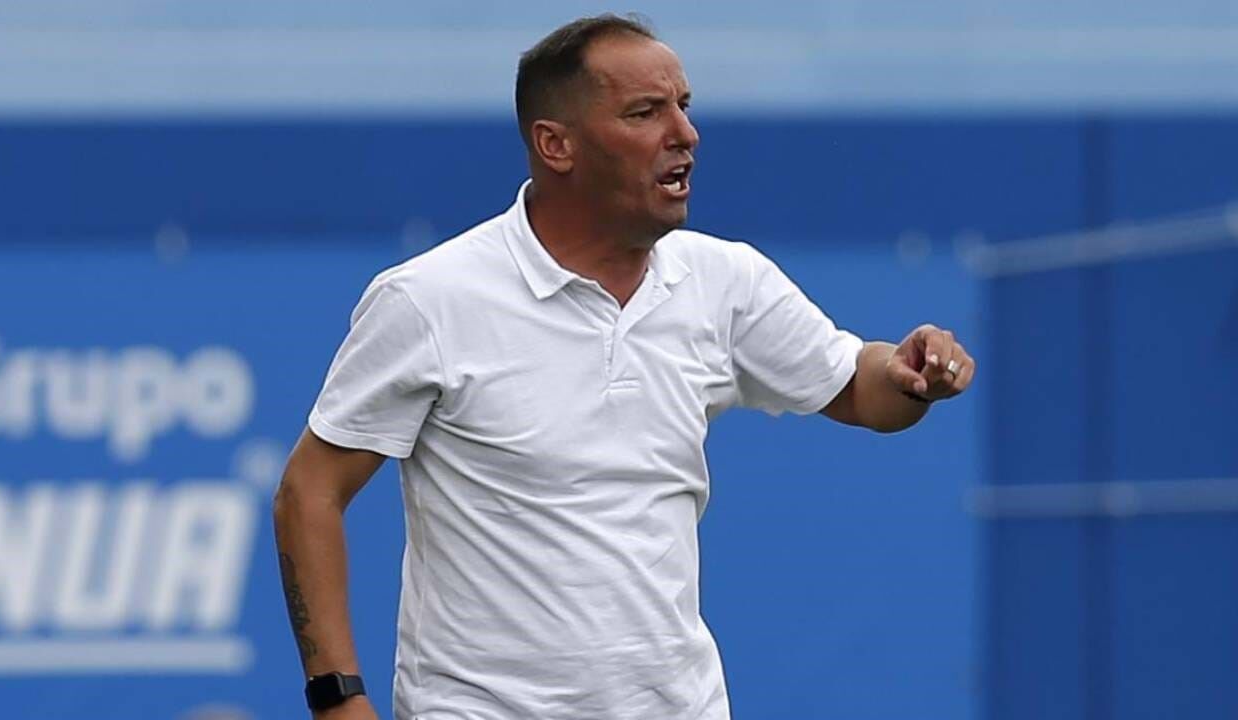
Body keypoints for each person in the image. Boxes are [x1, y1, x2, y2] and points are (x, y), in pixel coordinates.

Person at [273, 13, 975, 720]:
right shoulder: (428, 300)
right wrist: (338, 700)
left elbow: (858, 388)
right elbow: (309, 492)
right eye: (645, 112)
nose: (686, 134)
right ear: (556, 144)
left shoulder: (726, 280)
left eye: (684, 106)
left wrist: (907, 374)